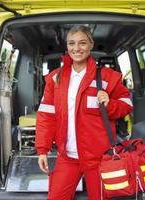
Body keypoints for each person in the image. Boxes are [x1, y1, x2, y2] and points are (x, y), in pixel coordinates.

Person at [35, 25, 133, 200]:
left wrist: (110, 104)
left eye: (82, 43)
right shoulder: (55, 78)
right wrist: (42, 149)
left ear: (91, 45)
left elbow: (127, 104)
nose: (76, 48)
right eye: (71, 43)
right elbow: (46, 116)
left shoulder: (108, 77)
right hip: (68, 157)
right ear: (67, 46)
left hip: (99, 158)